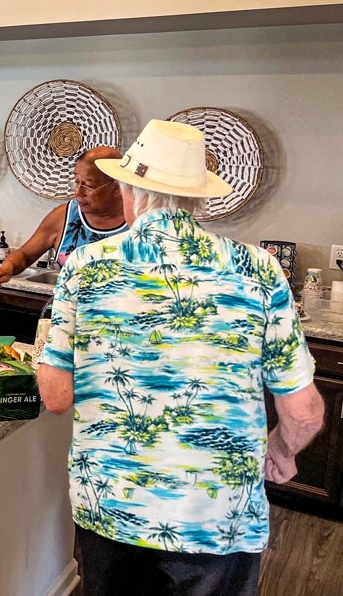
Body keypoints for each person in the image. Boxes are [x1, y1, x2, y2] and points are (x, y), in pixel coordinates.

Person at [38, 119, 324, 596]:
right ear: (197, 199)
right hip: (218, 519)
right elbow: (305, 411)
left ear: (131, 192)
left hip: (112, 507)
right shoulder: (258, 270)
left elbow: (56, 396)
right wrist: (280, 450)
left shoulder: (85, 269)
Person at [0, 146, 127, 288]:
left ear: (116, 188)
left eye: (88, 186)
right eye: (77, 182)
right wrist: (6, 268)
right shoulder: (63, 217)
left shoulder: (139, 221)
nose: (78, 192)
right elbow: (25, 255)